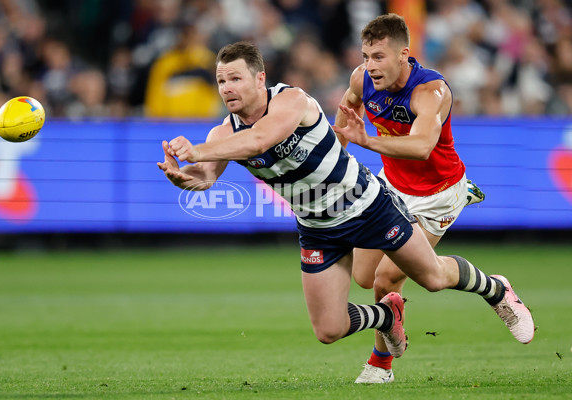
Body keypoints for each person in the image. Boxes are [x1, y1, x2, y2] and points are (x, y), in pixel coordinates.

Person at [157, 41, 534, 380]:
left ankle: (495, 288)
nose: (227, 89)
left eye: (235, 79)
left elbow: (260, 138)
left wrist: (198, 151)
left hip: (368, 207)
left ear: (260, 79)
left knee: (433, 278)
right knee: (328, 330)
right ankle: (388, 316)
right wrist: (183, 176)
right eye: (221, 82)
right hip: (317, 227)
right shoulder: (222, 134)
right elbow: (204, 178)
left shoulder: (292, 101)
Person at [333, 13, 485, 384]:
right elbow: (345, 111)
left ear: (404, 54)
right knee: (365, 277)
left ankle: (380, 366)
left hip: (437, 194)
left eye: (379, 57)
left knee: (388, 279)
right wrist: (335, 164)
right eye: (366, 55)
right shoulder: (361, 79)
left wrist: (366, 140)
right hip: (393, 187)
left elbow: (420, 147)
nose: (370, 65)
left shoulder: (431, 91)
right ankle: (394, 321)